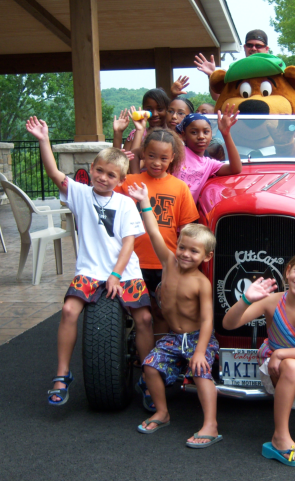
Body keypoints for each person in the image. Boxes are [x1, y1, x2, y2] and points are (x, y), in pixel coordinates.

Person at [25, 116, 153, 407]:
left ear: (121, 181)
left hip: (125, 271)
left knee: (144, 318)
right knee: (69, 310)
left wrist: (116, 275)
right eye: (99, 171)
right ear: (91, 170)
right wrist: (44, 140)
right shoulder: (80, 194)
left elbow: (129, 242)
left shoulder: (125, 203)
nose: (103, 178)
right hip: (90, 271)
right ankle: (61, 374)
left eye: (111, 175)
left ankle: (148, 376)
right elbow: (54, 172)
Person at [222, 249, 295, 469]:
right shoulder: (272, 302)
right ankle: (280, 436)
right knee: (293, 367)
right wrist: (246, 299)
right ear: (288, 271)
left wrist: (281, 353)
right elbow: (229, 324)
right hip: (277, 370)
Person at [127, 182, 221, 448]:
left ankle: (210, 424)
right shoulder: (168, 263)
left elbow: (206, 321)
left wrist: (201, 351)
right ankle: (162, 412)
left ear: (206, 256)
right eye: (182, 247)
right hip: (172, 337)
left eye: (194, 251)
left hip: (196, 339)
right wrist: (144, 200)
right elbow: (154, 231)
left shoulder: (202, 283)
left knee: (201, 372)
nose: (185, 254)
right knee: (150, 365)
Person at [115, 129, 200, 411]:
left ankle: (159, 373)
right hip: (134, 263)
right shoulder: (130, 181)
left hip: (165, 265)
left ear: (172, 158)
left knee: (163, 316)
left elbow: (186, 228)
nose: (156, 162)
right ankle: (146, 376)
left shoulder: (179, 187)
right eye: (150, 155)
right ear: (142, 154)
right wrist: (119, 139)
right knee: (143, 319)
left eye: (163, 158)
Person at [174, 106, 242, 203]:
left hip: (186, 214)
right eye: (194, 132)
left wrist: (226, 134)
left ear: (211, 134)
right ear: (184, 135)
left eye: (206, 132)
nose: (201, 136)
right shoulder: (178, 151)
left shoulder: (209, 164)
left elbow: (236, 168)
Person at [112, 77, 192, 152]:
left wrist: (173, 96)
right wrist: (118, 133)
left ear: (167, 110)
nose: (154, 114)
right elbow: (120, 162)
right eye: (149, 110)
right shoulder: (136, 133)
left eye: (160, 109)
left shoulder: (174, 134)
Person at [195, 29, 271, 101]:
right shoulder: (231, 69)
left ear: (266, 49)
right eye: (249, 45)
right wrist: (212, 75)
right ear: (244, 47)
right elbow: (218, 97)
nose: (253, 48)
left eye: (258, 46)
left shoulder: (274, 69)